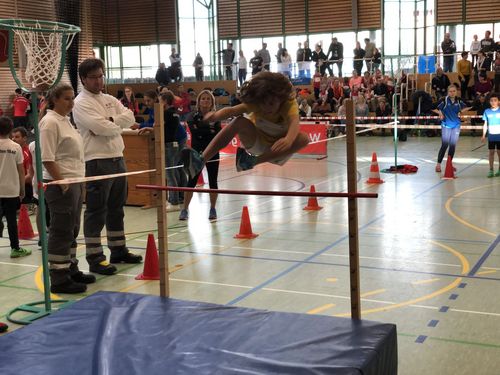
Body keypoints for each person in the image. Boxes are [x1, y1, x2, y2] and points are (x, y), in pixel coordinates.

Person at [72, 58, 142, 276]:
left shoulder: (110, 98)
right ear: (83, 79)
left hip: (117, 157)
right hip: (96, 160)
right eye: (93, 77)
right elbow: (98, 128)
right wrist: (114, 124)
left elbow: (129, 116)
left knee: (116, 208)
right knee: (96, 210)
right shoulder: (81, 102)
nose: (98, 81)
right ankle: (95, 257)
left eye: (101, 76)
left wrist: (111, 121)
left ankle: (118, 250)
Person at [181, 71, 309, 178]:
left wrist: (288, 139)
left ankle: (251, 162)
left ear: (280, 99)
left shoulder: (289, 104)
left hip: (278, 149)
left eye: (271, 103)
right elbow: (232, 110)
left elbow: (294, 122)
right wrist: (213, 116)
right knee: (239, 121)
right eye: (263, 103)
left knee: (304, 138)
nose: (266, 107)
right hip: (258, 143)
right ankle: (200, 160)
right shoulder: (257, 102)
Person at [40, 84, 96, 293]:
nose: (71, 102)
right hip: (60, 185)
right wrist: (61, 181)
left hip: (74, 182)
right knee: (61, 230)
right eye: (66, 98)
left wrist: (78, 183)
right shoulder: (50, 122)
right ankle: (59, 277)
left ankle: (71, 268)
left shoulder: (66, 121)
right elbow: (47, 157)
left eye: (73, 98)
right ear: (54, 100)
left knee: (72, 229)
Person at [179, 90, 221, 221]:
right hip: (196, 153)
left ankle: (213, 209)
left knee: (213, 181)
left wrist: (206, 129)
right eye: (203, 98)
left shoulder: (216, 116)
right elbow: (196, 131)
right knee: (191, 181)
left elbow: (217, 134)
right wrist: (208, 129)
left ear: (212, 102)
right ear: (198, 101)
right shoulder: (192, 116)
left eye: (208, 99)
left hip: (213, 153)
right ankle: (185, 209)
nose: (206, 101)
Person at [139, 92, 185, 211]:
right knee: (173, 171)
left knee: (170, 174)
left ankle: (174, 202)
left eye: (160, 101)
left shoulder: (166, 114)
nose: (158, 103)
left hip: (169, 145)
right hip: (173, 144)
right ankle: (177, 198)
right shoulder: (174, 112)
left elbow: (157, 127)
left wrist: (149, 127)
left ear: (164, 101)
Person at [0, 116, 31, 258]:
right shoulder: (15, 147)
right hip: (11, 190)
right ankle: (15, 248)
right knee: (12, 220)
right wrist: (22, 190)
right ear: (10, 129)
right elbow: (21, 171)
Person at [432, 85, 471, 173]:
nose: (452, 93)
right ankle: (438, 164)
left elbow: (470, 106)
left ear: (456, 92)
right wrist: (440, 113)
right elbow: (432, 107)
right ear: (447, 92)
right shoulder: (444, 100)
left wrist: (461, 111)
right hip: (446, 126)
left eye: (454, 91)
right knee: (445, 145)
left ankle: (449, 164)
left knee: (452, 146)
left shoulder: (459, 100)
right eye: (450, 91)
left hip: (456, 126)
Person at [11, 127, 33, 207]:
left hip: (25, 187)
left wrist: (15, 184)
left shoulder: (27, 153)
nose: (13, 139)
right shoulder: (12, 151)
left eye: (17, 137)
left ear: (24, 138)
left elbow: (30, 177)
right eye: (12, 137)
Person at [481, 94, 500, 177]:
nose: (493, 102)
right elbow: (485, 124)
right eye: (491, 100)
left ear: (498, 101)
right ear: (489, 102)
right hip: (491, 136)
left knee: (499, 153)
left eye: (495, 100)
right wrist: (483, 135)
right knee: (491, 152)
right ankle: (491, 170)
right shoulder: (487, 111)